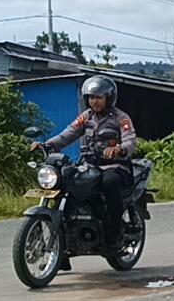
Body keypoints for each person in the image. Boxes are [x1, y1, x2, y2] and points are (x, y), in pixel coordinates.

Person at [34, 75, 137, 250]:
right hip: (88, 166)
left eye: (99, 97)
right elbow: (69, 133)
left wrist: (119, 148)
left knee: (109, 182)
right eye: (91, 97)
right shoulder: (86, 117)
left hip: (114, 166)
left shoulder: (120, 118)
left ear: (108, 98)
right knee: (65, 179)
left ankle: (115, 230)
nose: (95, 101)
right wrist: (48, 144)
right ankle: (66, 234)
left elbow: (130, 140)